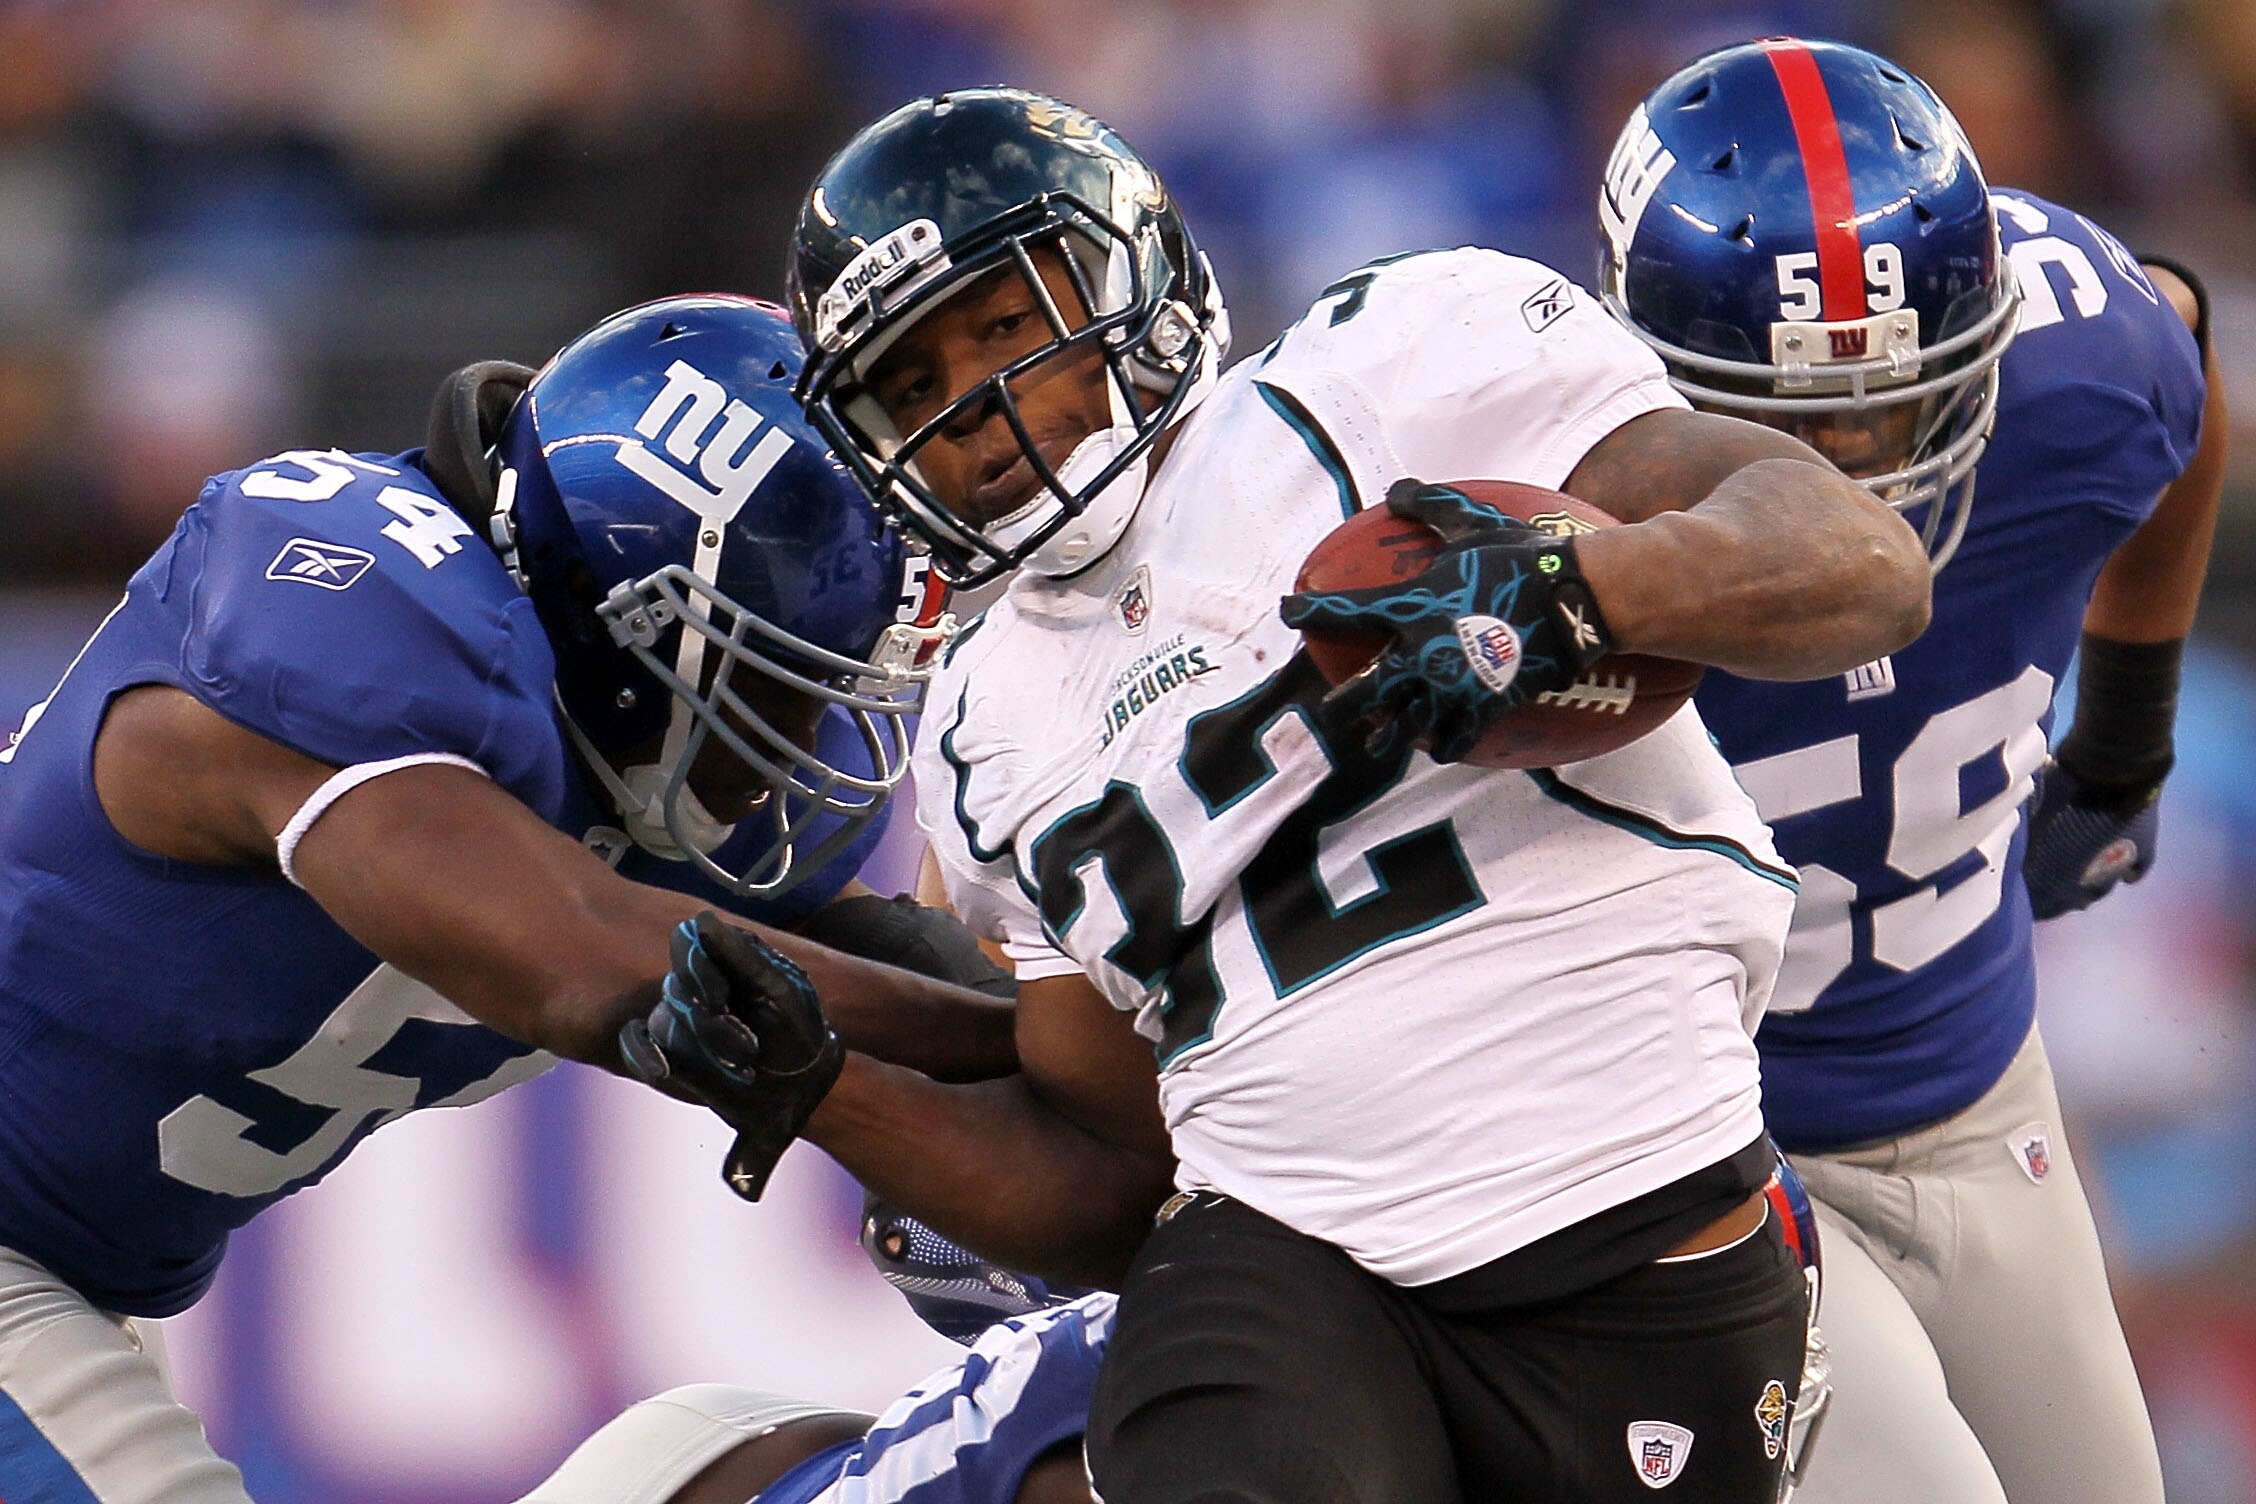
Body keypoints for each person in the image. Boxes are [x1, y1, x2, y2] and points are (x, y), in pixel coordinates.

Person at [628, 86, 1935, 1502]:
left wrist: (1579, 590)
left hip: (1637, 1221)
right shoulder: (979, 725)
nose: (980, 409)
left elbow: (1856, 560)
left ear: (1135, 275)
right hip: (1282, 1257)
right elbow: (1122, 1176)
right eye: (915, 384)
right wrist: (832, 1085)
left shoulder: (1391, 366)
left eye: (1005, 325)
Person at [0, 293, 1020, 1501]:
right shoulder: (346, 612)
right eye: (780, 681)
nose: (809, 742)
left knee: (761, 1454)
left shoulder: (622, 750)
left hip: (73, 1281)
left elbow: (905, 998)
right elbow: (580, 951)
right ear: (636, 609)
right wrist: (1000, 1034)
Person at [1596, 37, 2222, 1504]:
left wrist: (2125, 743)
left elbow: (2177, 371)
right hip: (1696, 1155)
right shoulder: (1553, 495)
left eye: (1895, 405)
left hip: (1977, 1087)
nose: (1857, 474)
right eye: (1800, 427)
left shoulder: (2081, 370)